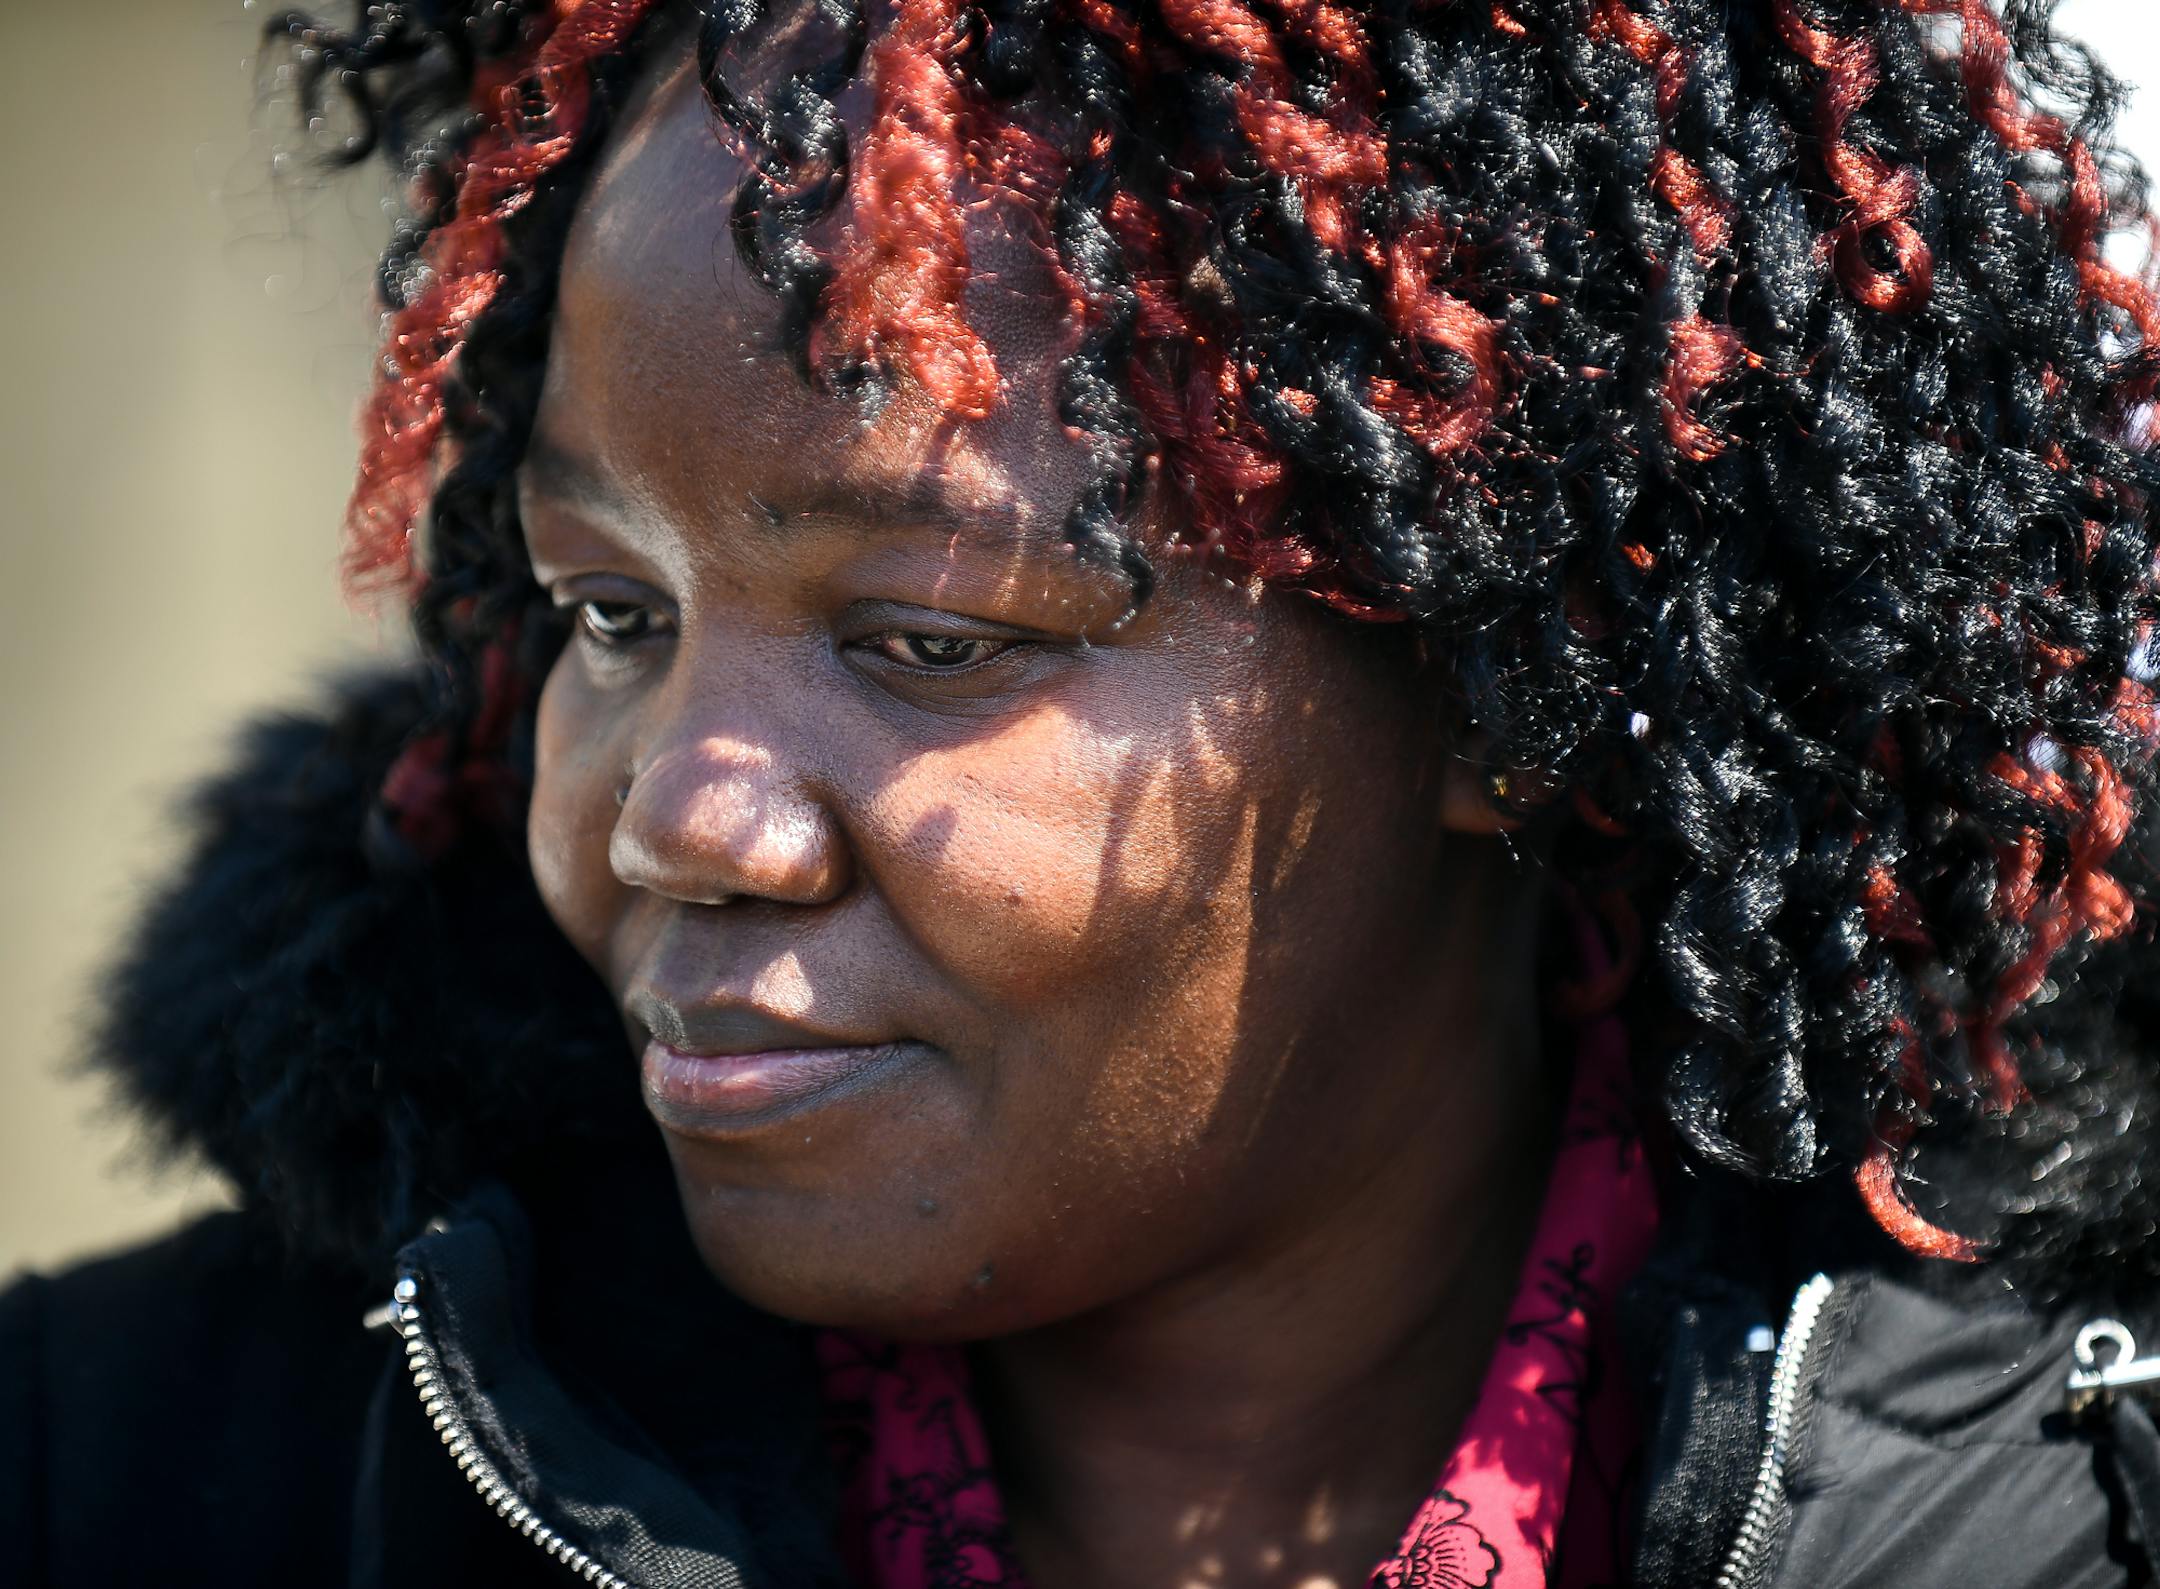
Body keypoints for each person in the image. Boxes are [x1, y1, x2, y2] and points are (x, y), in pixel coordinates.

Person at [8, 0, 2160, 1582]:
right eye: (613, 611)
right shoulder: (125, 1479)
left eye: (930, 640)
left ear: (1510, 688)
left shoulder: (2078, 1506)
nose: (677, 815)